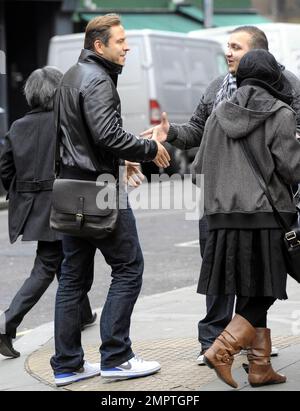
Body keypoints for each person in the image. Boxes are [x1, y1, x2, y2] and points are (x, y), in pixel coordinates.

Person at [141, 25, 300, 363]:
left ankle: (255, 357)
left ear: (258, 54)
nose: (228, 53)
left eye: (235, 47)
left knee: (254, 277)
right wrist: (171, 134)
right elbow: (197, 129)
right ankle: (216, 342)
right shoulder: (218, 90)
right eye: (227, 46)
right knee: (226, 271)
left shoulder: (290, 89)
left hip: (244, 202)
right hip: (251, 204)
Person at [49, 14, 170, 387]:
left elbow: (79, 138)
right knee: (128, 268)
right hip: (99, 190)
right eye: (120, 41)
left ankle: (67, 365)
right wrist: (150, 148)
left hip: (70, 189)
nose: (127, 46)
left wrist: (122, 159)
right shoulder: (98, 79)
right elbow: (106, 134)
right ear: (99, 45)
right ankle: (116, 357)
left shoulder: (70, 75)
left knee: (72, 279)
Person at [191, 48, 300, 388]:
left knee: (252, 292)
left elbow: (198, 170)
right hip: (267, 217)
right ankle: (221, 350)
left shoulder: (217, 114)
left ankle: (259, 367)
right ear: (272, 78)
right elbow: (292, 169)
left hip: (223, 220)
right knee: (264, 292)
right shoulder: (280, 113)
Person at [0, 67, 96, 359]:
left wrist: (24, 193)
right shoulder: (66, 124)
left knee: (64, 262)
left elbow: (5, 170)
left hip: (34, 208)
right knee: (50, 266)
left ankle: (82, 314)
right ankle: (7, 322)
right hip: (65, 204)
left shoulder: (17, 127)